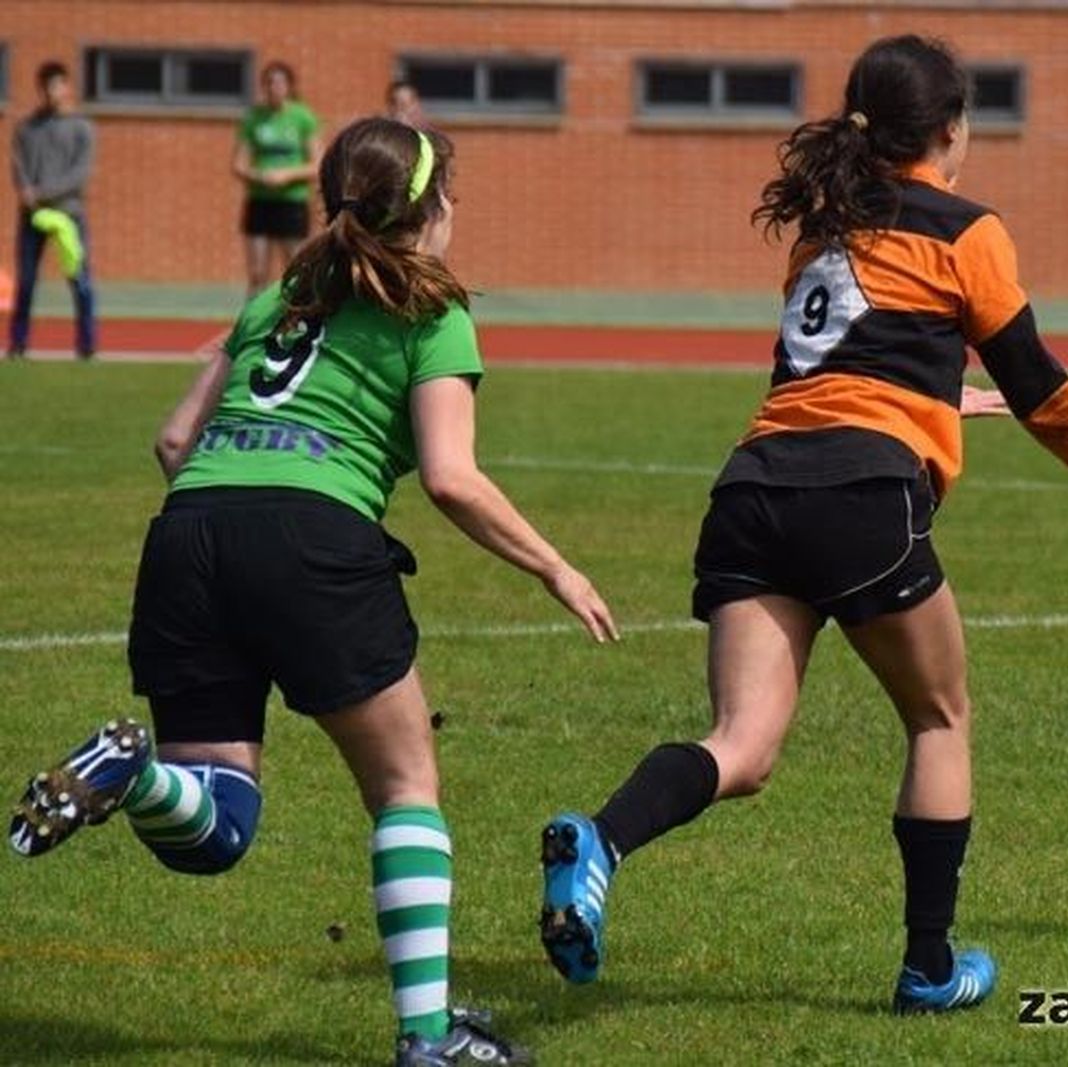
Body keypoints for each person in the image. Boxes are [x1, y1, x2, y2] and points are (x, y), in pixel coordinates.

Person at [536, 35, 1068, 1014]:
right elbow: (1037, 381)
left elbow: (846, 363)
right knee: (939, 715)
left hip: (754, 491)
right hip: (860, 499)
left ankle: (600, 838)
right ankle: (929, 968)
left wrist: (941, 398)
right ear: (949, 129)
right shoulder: (967, 229)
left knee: (742, 744)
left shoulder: (825, 229)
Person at [9, 117, 618, 1065]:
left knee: (214, 823)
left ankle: (135, 777)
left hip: (192, 533)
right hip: (312, 538)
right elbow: (452, 477)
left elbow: (174, 443)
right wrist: (556, 565)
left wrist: (235, 539)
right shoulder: (433, 310)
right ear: (429, 208)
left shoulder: (274, 299)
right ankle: (428, 1040)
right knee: (407, 785)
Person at [8, 61, 96, 360]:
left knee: (79, 279)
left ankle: (86, 346)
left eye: (57, 85)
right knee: (27, 281)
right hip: (32, 216)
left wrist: (43, 191)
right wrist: (25, 191)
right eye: (46, 86)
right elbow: (18, 166)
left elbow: (80, 173)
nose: (51, 92)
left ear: (67, 87)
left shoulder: (82, 128)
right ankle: (18, 345)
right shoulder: (27, 128)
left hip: (69, 215)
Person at [234, 61, 322, 296]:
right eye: (269, 82)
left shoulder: (302, 118)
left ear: (290, 86)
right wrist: (259, 176)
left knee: (294, 268)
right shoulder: (254, 118)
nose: (275, 87)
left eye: (280, 82)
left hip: (292, 201)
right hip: (260, 201)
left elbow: (316, 164)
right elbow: (238, 165)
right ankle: (252, 324)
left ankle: (295, 317)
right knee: (257, 271)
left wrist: (286, 175)